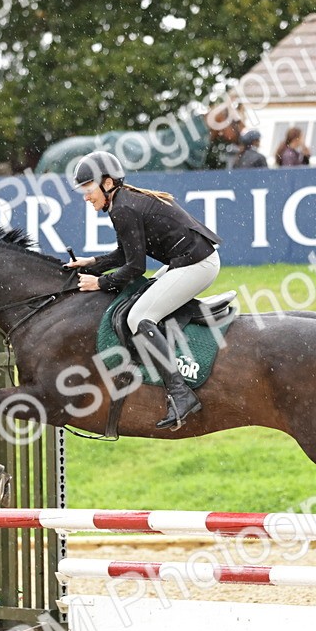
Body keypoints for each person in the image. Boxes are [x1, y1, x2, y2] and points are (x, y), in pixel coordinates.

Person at [65, 150, 221, 430]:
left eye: (88, 189)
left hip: (198, 265)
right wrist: (92, 263)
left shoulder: (123, 208)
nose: (86, 196)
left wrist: (99, 282)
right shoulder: (123, 202)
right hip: (190, 261)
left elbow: (135, 268)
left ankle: (181, 393)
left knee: (138, 317)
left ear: (108, 183)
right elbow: (125, 255)